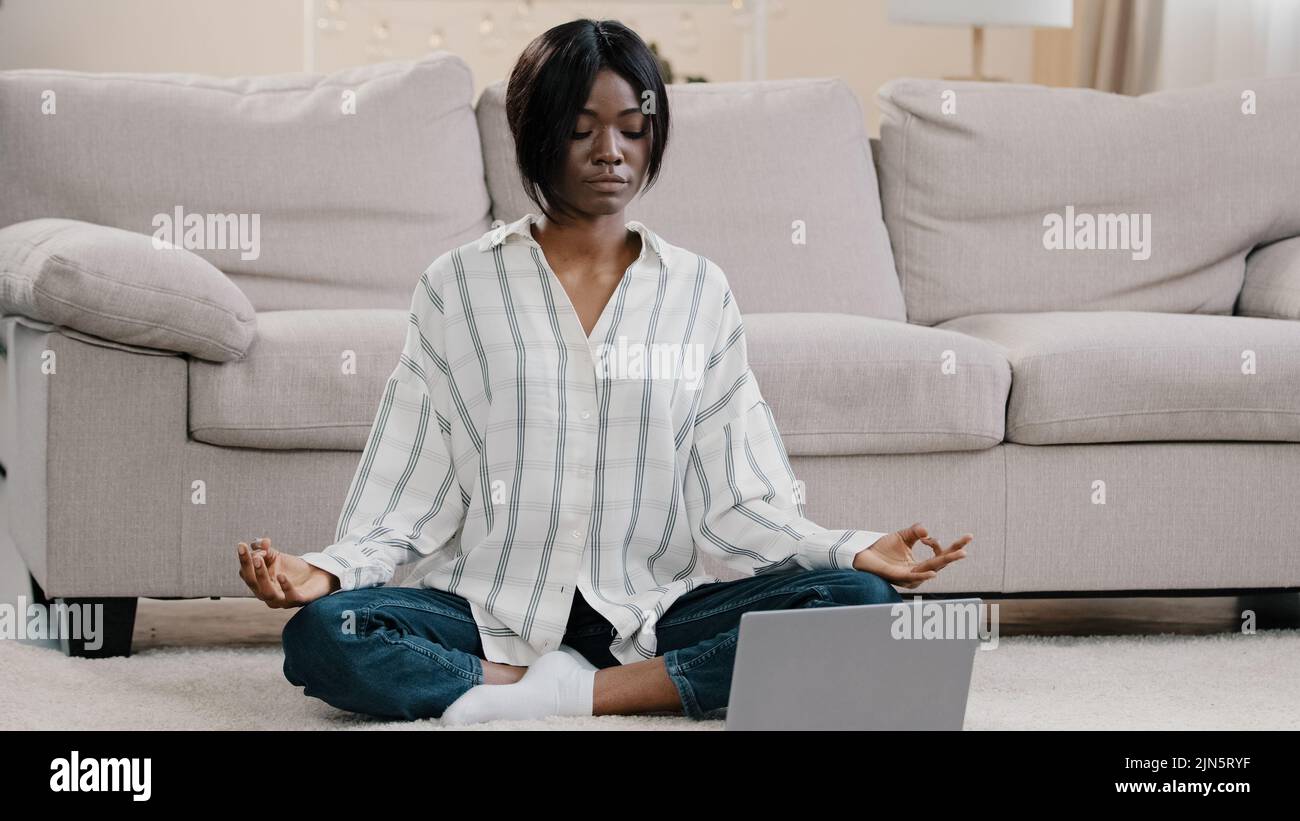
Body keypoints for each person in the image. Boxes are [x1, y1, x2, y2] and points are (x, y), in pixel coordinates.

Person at [236, 18, 971, 724]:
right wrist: (326, 574)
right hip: (493, 612)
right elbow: (407, 491)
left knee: (859, 598)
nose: (610, 151)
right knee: (327, 633)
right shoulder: (456, 287)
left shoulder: (698, 291)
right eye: (582, 129)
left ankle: (580, 695)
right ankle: (534, 680)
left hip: (652, 613)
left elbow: (742, 500)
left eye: (631, 127)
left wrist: (849, 546)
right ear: (535, 136)